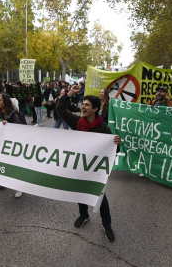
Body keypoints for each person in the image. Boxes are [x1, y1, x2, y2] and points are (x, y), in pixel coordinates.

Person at [56, 84, 121, 242]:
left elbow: (115, 151)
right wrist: (70, 93)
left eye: (87, 105)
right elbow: (60, 110)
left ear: (95, 109)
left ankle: (107, 225)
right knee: (80, 191)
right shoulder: (77, 122)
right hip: (80, 166)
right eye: (83, 104)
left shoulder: (104, 129)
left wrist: (116, 143)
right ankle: (84, 215)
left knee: (101, 198)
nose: (83, 107)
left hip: (95, 170)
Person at [0, 93, 24, 198]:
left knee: (13, 165)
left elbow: (18, 129)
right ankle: (1, 182)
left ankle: (19, 187)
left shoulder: (13, 113)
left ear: (5, 102)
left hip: (10, 145)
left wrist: (9, 125)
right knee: (0, 164)